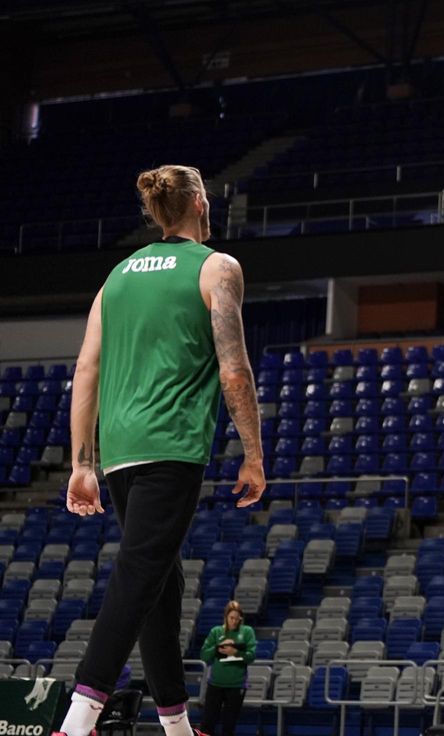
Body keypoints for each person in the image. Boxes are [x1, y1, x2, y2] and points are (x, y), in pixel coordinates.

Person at [56, 164, 266, 736]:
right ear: (200, 204)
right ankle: (77, 721)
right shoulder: (217, 267)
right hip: (171, 446)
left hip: (120, 452)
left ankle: (176, 725)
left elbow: (86, 368)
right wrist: (253, 454)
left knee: (161, 579)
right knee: (141, 571)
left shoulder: (117, 275)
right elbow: (234, 369)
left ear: (155, 212)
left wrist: (82, 465)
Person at [200, 601, 257, 736]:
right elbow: (204, 655)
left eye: (237, 619)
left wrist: (235, 652)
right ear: (226, 617)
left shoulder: (247, 631)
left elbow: (251, 656)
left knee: (229, 725)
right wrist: (218, 647)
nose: (234, 621)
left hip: (236, 685)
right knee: (207, 723)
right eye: (231, 618)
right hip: (215, 684)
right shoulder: (216, 631)